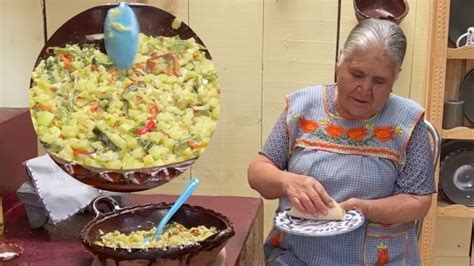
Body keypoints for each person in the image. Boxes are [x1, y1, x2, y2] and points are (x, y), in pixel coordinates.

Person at [248, 18, 435, 265]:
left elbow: (418, 202)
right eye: (357, 74)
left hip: (379, 257)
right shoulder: (303, 107)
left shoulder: (408, 122)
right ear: (340, 61)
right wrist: (287, 181)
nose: (365, 89)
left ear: (395, 78)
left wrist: (364, 208)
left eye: (380, 81)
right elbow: (257, 172)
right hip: (298, 256)